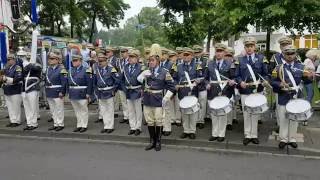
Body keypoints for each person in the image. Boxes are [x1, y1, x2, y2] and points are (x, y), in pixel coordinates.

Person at [271, 45, 313, 149]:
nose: (290, 56)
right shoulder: (278, 67)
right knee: (283, 117)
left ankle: (292, 138)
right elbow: (272, 81)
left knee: (294, 118)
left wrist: (309, 77)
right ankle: (283, 139)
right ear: (283, 55)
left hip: (296, 95)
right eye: (287, 54)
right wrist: (279, 84)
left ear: (295, 55)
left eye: (292, 53)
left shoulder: (301, 67)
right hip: (283, 95)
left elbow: (307, 82)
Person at [137, 43, 175, 151]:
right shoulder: (147, 70)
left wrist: (165, 98)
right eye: (150, 60)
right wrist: (143, 75)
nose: (151, 62)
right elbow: (138, 80)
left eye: (152, 60)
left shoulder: (164, 72)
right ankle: (152, 141)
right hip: (147, 99)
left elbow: (172, 87)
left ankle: (158, 141)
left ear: (158, 61)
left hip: (158, 99)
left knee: (158, 120)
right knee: (149, 120)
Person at [235, 37, 269, 145]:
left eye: (251, 46)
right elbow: (237, 75)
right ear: (245, 47)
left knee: (255, 112)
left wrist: (265, 81)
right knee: (246, 113)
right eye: (247, 46)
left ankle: (254, 135)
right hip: (245, 90)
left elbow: (266, 74)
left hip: (257, 89)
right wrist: (240, 82)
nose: (249, 48)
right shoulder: (240, 60)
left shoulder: (261, 58)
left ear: (255, 47)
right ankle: (247, 134)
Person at [206, 43, 236, 142]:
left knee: (222, 114)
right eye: (217, 51)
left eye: (220, 51)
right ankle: (214, 133)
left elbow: (233, 77)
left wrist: (232, 82)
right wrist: (207, 84)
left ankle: (221, 134)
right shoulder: (210, 63)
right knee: (214, 114)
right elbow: (206, 78)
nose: (218, 53)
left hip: (225, 90)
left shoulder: (229, 63)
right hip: (213, 91)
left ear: (224, 53)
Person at [174, 47, 204, 139]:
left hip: (192, 91)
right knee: (184, 112)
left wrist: (198, 81)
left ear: (192, 56)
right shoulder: (178, 66)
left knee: (193, 112)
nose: (186, 56)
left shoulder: (197, 66)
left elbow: (201, 77)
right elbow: (174, 78)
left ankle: (192, 130)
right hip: (182, 91)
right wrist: (175, 85)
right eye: (185, 55)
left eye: (188, 55)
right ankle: (186, 130)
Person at [93, 53, 119, 134]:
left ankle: (110, 126)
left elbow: (117, 81)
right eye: (99, 61)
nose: (100, 63)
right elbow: (95, 82)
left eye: (102, 61)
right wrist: (96, 91)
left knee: (110, 110)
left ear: (106, 61)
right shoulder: (98, 70)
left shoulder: (111, 69)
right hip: (101, 92)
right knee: (103, 110)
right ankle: (106, 125)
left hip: (109, 91)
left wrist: (114, 90)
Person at [68, 52, 92, 133]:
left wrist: (88, 93)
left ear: (80, 61)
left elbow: (89, 83)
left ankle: (84, 125)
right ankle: (79, 125)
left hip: (82, 92)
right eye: (73, 61)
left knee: (83, 110)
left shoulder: (86, 70)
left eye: (76, 60)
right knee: (77, 111)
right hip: (73, 93)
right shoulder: (70, 70)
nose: (74, 62)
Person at [45, 50, 68, 131]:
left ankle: (60, 124)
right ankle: (55, 124)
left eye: (52, 59)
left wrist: (62, 92)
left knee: (59, 109)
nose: (50, 60)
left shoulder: (61, 69)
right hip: (49, 91)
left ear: (57, 60)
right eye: (50, 59)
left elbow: (64, 82)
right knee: (53, 110)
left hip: (58, 92)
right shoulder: (48, 69)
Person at [21, 50, 42, 131]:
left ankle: (34, 123)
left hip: (32, 87)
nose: (28, 58)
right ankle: (29, 123)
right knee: (27, 107)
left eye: (30, 56)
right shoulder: (24, 64)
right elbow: (22, 76)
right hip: (25, 89)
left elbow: (37, 69)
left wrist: (29, 64)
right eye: (27, 57)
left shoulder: (36, 64)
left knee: (33, 107)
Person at [1, 53, 23, 127]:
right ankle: (12, 120)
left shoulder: (17, 67)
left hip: (15, 90)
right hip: (7, 90)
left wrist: (7, 79)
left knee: (16, 107)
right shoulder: (6, 68)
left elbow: (18, 78)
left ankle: (17, 121)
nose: (9, 61)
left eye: (10, 59)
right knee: (10, 107)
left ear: (14, 60)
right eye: (8, 60)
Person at [124, 49, 143, 136]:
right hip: (128, 91)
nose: (130, 59)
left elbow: (144, 80)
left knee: (138, 110)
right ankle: (132, 127)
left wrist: (142, 90)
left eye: (133, 57)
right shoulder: (126, 67)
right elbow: (121, 79)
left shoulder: (141, 67)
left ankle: (138, 127)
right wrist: (124, 89)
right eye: (130, 57)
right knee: (130, 110)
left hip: (137, 91)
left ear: (137, 58)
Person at [160, 47, 174, 136]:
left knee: (167, 110)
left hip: (167, 90)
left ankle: (167, 128)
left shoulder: (171, 64)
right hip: (159, 90)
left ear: (166, 55)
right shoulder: (157, 64)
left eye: (162, 54)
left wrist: (172, 92)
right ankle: (161, 126)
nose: (161, 56)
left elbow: (174, 79)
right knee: (160, 110)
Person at [193, 45, 207, 129]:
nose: (196, 54)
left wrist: (201, 79)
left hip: (202, 86)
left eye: (198, 52)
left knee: (202, 104)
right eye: (195, 52)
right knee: (195, 103)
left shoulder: (205, 61)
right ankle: (195, 120)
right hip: (194, 87)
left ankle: (201, 120)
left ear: (201, 52)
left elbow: (206, 74)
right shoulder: (192, 61)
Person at [224, 47, 238, 129]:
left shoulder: (235, 64)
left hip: (233, 86)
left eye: (230, 56)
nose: (228, 57)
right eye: (226, 55)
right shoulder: (222, 63)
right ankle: (226, 121)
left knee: (232, 103)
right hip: (224, 86)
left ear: (232, 56)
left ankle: (230, 122)